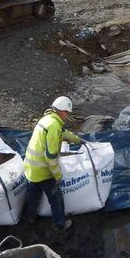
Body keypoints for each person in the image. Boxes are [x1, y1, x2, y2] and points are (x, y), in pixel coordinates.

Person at [23, 95, 83, 232]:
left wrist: (78, 140)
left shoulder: (47, 119)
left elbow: (65, 133)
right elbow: (50, 157)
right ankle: (59, 225)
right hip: (44, 170)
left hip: (30, 168)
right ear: (62, 111)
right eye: (67, 112)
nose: (67, 115)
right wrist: (57, 175)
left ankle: (30, 219)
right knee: (56, 199)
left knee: (32, 195)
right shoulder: (54, 126)